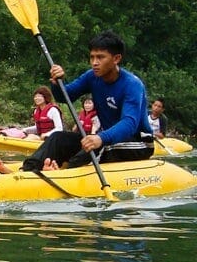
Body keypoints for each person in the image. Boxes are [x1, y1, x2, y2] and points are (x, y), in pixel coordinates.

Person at [17, 30, 154, 172]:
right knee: (58, 138)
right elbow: (64, 97)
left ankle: (67, 172)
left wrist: (100, 137)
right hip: (105, 139)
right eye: (92, 57)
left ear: (116, 59)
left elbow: (129, 123)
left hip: (138, 142)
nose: (95, 63)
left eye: (100, 57)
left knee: (97, 146)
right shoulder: (92, 77)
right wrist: (57, 83)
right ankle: (27, 171)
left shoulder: (132, 84)